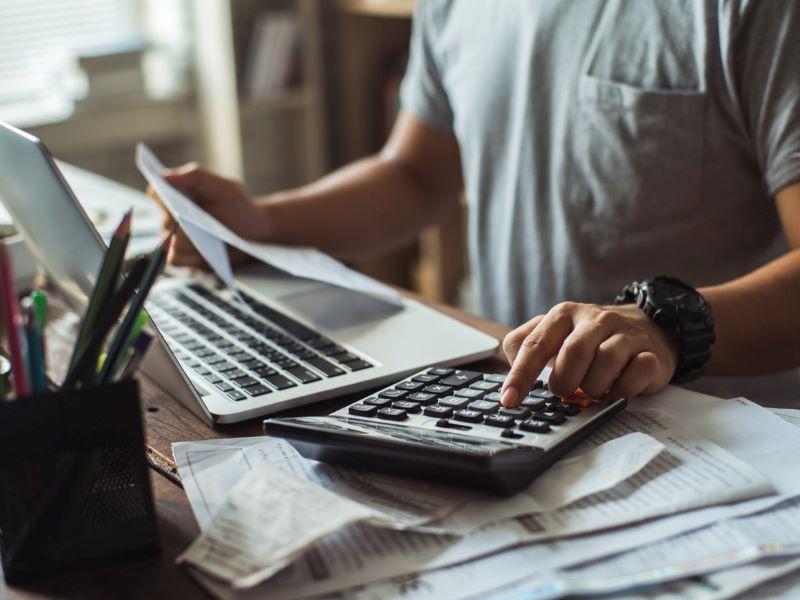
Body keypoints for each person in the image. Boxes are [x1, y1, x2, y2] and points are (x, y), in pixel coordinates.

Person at [157, 1, 800, 407]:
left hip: (711, 441)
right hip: (507, 406)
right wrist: (261, 224)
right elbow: (414, 175)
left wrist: (663, 323)